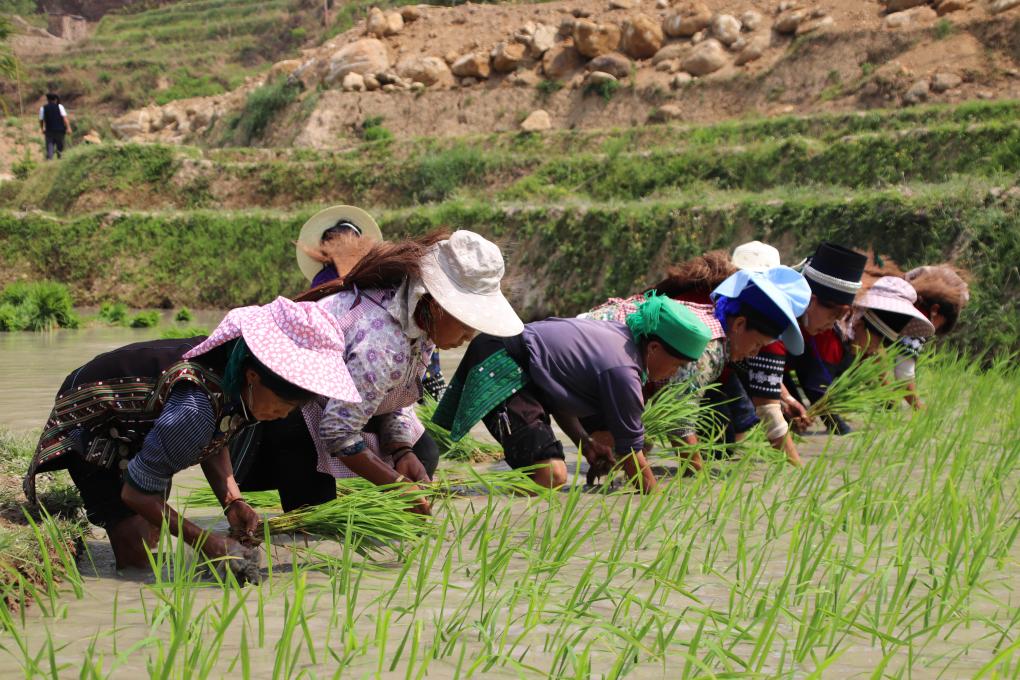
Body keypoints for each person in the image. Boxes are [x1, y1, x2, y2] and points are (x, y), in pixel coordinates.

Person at [23, 298, 357, 575]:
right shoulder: (195, 406)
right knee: (138, 560)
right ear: (254, 377)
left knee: (154, 532)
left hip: (144, 423)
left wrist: (232, 501)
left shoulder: (236, 377)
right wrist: (207, 543)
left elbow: (218, 436)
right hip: (96, 423)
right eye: (283, 405)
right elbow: (137, 494)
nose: (283, 415)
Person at [245, 230, 523, 516]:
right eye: (465, 321)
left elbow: (395, 395)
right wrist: (395, 484)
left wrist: (402, 450)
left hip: (340, 407)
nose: (469, 334)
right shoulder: (381, 342)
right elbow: (338, 432)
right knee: (315, 517)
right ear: (435, 304)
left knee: (423, 453)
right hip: (286, 409)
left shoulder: (419, 322)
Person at [435, 293, 713, 491]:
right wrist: (654, 500)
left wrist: (585, 442)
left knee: (547, 473)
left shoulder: (622, 343)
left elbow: (557, 395)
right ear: (653, 348)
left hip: (523, 368)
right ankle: (481, 502)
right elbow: (631, 451)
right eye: (676, 364)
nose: (675, 372)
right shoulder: (623, 369)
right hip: (504, 360)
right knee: (550, 475)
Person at [737, 243, 866, 464]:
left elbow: (764, 373)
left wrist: (786, 397)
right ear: (812, 301)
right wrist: (798, 468)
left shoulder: (789, 324)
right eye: (832, 317)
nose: (830, 326)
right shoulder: (772, 319)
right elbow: (767, 408)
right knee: (732, 430)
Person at [895, 265, 970, 409]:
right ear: (935, 310)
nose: (934, 330)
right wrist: (919, 407)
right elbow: (903, 373)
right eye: (942, 322)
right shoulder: (918, 321)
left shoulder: (898, 296)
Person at [845, 276, 936, 356]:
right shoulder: (834, 344)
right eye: (869, 345)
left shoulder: (866, 356)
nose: (874, 351)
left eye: (883, 346)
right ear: (858, 325)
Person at [39, 93, 71, 161]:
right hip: (60, 131)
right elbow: (64, 118)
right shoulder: (60, 106)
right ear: (55, 99)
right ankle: (60, 161)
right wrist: (68, 128)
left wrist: (42, 129)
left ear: (48, 100)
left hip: (49, 131)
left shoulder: (43, 108)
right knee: (60, 148)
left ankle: (50, 162)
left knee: (50, 148)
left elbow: (41, 120)